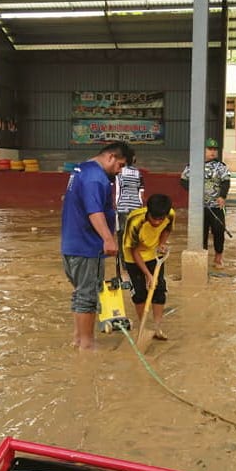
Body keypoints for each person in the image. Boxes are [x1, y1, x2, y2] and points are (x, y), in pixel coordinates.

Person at [61, 141, 133, 350]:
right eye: (120, 165)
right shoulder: (95, 178)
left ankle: (78, 339)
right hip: (87, 245)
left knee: (81, 292)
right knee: (88, 296)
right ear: (110, 157)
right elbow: (94, 211)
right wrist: (108, 239)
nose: (119, 172)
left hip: (72, 243)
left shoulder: (82, 169)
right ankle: (87, 344)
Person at [122, 194, 174, 341]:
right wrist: (148, 275)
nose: (157, 222)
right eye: (154, 219)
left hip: (153, 255)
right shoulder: (135, 221)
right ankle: (143, 327)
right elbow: (135, 251)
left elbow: (167, 230)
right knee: (140, 293)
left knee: (159, 289)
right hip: (133, 257)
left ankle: (157, 328)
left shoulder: (169, 214)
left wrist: (162, 243)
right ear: (148, 212)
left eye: (160, 219)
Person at [180, 137, 231, 269]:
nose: (212, 152)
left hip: (216, 206)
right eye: (209, 149)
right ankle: (200, 260)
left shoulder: (221, 167)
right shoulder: (193, 165)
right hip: (199, 207)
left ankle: (218, 257)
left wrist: (222, 196)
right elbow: (183, 180)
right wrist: (193, 190)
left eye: (215, 149)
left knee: (219, 230)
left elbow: (226, 181)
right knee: (200, 233)